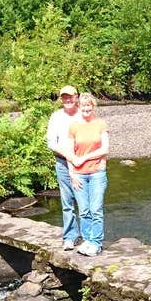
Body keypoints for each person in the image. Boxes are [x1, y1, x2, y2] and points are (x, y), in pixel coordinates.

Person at [67, 93, 109, 256]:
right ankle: (87, 240)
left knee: (96, 209)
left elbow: (104, 149)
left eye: (88, 105)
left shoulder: (100, 124)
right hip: (79, 175)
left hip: (97, 173)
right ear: (79, 107)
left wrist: (84, 157)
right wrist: (72, 174)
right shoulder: (74, 127)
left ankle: (96, 243)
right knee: (84, 210)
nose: (86, 108)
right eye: (83, 106)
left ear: (93, 107)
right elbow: (70, 152)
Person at [46, 85, 81, 250]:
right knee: (67, 202)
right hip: (62, 162)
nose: (67, 100)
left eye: (70, 97)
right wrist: (68, 157)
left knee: (85, 202)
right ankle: (70, 237)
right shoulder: (56, 117)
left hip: (83, 163)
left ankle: (89, 237)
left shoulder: (84, 114)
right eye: (64, 97)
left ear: (76, 97)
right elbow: (51, 143)